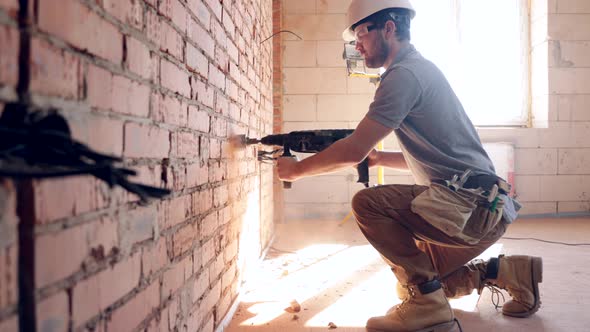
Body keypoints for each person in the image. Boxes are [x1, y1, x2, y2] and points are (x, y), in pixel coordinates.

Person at [277, 0, 542, 331]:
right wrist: (378, 158)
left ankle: (426, 307)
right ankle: (510, 273)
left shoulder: (403, 75)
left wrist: (295, 171)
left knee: (368, 204)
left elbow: (353, 150)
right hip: (484, 205)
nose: (356, 45)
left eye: (361, 33)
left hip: (470, 209)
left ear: (389, 28)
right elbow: (430, 157)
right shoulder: (418, 69)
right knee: (423, 282)